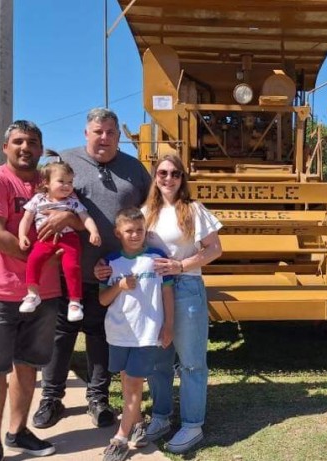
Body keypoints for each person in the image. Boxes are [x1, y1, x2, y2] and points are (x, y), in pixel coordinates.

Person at [32, 108, 152, 430]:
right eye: (98, 131)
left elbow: (150, 210)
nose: (104, 138)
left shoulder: (135, 169)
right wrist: (65, 219)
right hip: (67, 269)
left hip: (111, 275)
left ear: (118, 136)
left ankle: (98, 398)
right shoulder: (66, 161)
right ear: (86, 133)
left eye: (110, 132)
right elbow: (42, 202)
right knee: (61, 335)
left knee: (101, 336)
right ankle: (51, 398)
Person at [96, 154, 222, 454]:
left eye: (175, 173)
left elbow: (215, 248)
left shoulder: (193, 209)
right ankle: (162, 416)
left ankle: (192, 424)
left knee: (191, 361)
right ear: (155, 177)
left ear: (182, 178)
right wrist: (103, 266)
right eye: (163, 173)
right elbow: (129, 250)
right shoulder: (145, 213)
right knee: (158, 361)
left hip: (186, 287)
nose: (169, 178)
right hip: (151, 293)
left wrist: (181, 265)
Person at [0, 120, 59, 461]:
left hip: (45, 293)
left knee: (29, 365)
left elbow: (71, 215)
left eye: (32, 142)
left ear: (41, 149)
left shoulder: (49, 183)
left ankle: (17, 431)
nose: (25, 147)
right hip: (0, 293)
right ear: (5, 147)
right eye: (18, 141)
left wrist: (68, 220)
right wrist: (39, 259)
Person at [98, 208, 174, 461]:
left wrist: (169, 325)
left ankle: (120, 438)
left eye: (140, 230)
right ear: (118, 233)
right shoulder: (109, 262)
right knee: (127, 382)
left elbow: (167, 293)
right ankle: (138, 423)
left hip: (146, 333)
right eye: (129, 230)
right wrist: (120, 286)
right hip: (118, 333)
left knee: (133, 384)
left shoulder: (157, 257)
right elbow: (103, 300)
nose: (135, 235)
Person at [18, 159, 101, 322]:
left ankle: (75, 302)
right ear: (46, 183)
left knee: (72, 266)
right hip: (44, 238)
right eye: (61, 181)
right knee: (34, 259)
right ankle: (32, 294)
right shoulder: (38, 199)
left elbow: (85, 217)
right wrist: (22, 235)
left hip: (69, 239)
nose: (67, 186)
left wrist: (94, 231)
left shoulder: (72, 201)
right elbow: (26, 219)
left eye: (70, 182)